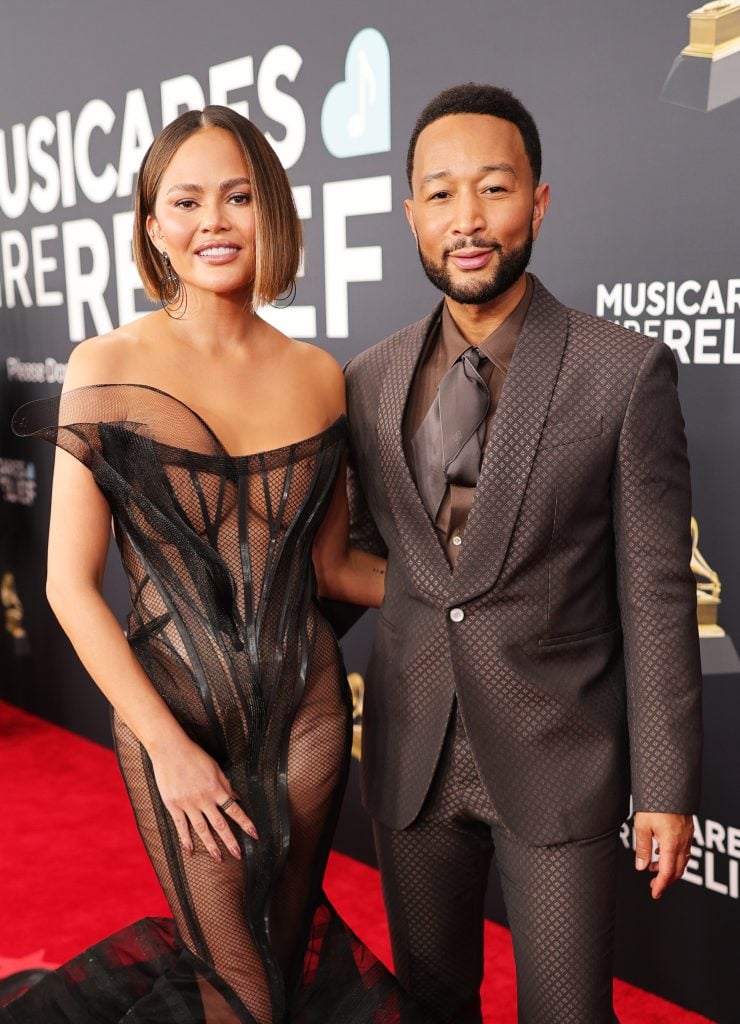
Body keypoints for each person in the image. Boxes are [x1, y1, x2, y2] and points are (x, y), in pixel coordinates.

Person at [5, 105, 420, 1024]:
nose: (213, 223)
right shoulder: (104, 363)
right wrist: (167, 749)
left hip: (310, 715)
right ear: (153, 227)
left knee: (283, 959)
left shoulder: (318, 373)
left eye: (236, 197)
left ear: (270, 209)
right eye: (185, 201)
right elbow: (67, 588)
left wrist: (477, 590)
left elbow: (333, 568)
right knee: (233, 989)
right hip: (173, 721)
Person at [343, 83, 702, 1024]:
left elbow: (657, 597)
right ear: (411, 212)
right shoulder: (370, 378)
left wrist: (664, 786)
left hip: (559, 753)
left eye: (494, 189)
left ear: (538, 201)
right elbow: (367, 557)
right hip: (411, 756)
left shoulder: (622, 372)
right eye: (443, 193)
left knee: (570, 1012)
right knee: (428, 1001)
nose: (469, 220)